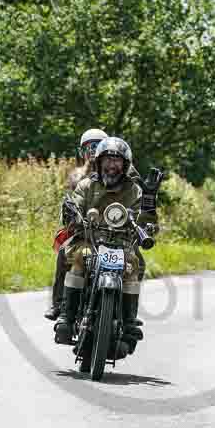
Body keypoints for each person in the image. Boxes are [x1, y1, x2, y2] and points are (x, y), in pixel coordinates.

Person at [54, 137, 157, 358]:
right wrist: (73, 215)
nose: (112, 165)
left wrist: (150, 201)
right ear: (99, 162)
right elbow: (76, 205)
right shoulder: (87, 185)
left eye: (117, 161)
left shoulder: (133, 190)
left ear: (125, 165)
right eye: (108, 160)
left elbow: (147, 221)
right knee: (81, 258)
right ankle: (67, 315)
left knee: (133, 264)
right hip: (89, 240)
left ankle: (129, 321)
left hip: (120, 244)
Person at [44, 129, 108, 321]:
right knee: (64, 251)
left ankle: (128, 314)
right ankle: (59, 304)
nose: (93, 151)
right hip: (84, 232)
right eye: (89, 148)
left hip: (115, 232)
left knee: (137, 260)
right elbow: (72, 201)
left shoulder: (121, 171)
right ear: (82, 152)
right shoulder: (77, 176)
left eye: (98, 146)